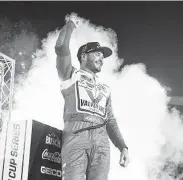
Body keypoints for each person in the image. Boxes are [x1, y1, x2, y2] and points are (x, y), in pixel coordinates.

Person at [55, 19, 130, 180]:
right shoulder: (70, 75)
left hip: (102, 143)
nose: (102, 59)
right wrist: (69, 26)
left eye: (103, 56)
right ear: (83, 56)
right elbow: (61, 48)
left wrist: (122, 146)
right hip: (76, 136)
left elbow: (110, 120)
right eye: (97, 54)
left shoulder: (105, 88)